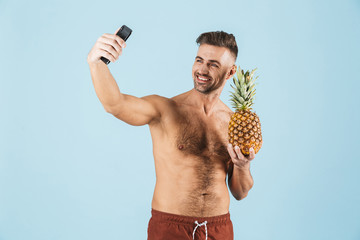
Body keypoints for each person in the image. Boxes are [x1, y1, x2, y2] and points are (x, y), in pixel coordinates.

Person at [87, 28, 256, 240]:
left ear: (231, 72)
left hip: (218, 229)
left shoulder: (234, 122)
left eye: (213, 64)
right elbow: (115, 104)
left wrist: (242, 166)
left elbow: (240, 193)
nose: (202, 70)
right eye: (199, 60)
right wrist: (96, 63)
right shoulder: (165, 110)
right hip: (170, 228)